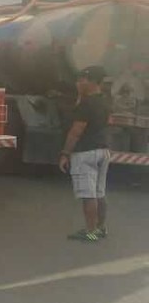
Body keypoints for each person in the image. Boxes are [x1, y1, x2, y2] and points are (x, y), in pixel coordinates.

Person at [59, 66, 110, 241]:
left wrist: (65, 153)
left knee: (88, 195)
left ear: (91, 81)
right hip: (103, 150)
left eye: (82, 80)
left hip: (85, 152)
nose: (79, 83)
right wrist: (81, 96)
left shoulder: (87, 103)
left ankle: (90, 232)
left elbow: (76, 130)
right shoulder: (104, 100)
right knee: (99, 193)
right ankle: (101, 228)